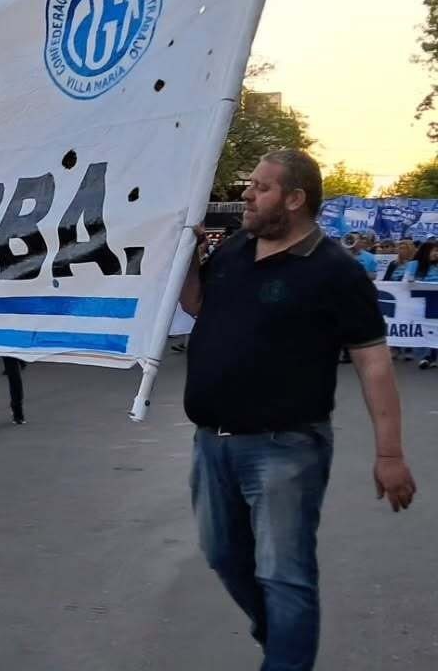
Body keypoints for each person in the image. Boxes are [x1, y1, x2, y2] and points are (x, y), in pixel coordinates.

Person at [179, 150, 416, 671]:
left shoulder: (336, 271)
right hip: (211, 442)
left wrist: (390, 454)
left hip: (285, 447)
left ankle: (287, 651)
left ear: (294, 199)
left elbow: (373, 363)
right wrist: (185, 259)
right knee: (223, 555)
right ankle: (285, 634)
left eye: (260, 188)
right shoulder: (236, 248)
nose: (246, 194)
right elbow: (197, 305)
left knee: (284, 575)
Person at [404, 241, 438, 369]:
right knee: (423, 329)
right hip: (419, 302)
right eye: (435, 250)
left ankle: (432, 356)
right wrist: (412, 280)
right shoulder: (414, 264)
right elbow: (406, 281)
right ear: (425, 251)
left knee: (435, 328)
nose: (436, 254)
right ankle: (425, 356)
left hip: (434, 301)